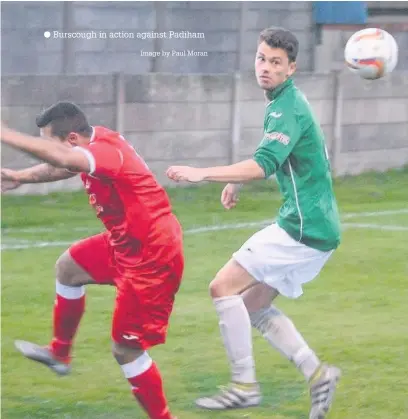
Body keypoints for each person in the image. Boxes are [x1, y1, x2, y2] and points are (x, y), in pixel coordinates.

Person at [166, 27, 342, 419]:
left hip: (302, 227)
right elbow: (270, 155)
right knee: (252, 305)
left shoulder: (286, 107)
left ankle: (244, 386)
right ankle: (318, 375)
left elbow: (263, 165)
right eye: (262, 58)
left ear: (291, 68)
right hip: (319, 230)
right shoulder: (283, 102)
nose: (265, 67)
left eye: (276, 62)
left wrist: (202, 173)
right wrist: (233, 178)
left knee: (221, 287)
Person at [1, 102, 183, 419]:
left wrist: (4, 133)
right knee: (68, 268)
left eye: (48, 142)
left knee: (126, 350)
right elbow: (64, 164)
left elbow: (62, 158)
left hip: (151, 255)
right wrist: (21, 176)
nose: (46, 148)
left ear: (72, 138)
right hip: (125, 243)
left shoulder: (107, 151)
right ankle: (60, 353)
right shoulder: (93, 147)